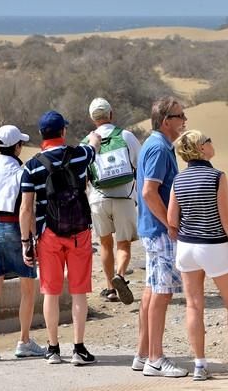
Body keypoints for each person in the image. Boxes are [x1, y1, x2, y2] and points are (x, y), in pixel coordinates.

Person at [167, 130, 228, 380]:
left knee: (193, 306)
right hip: (214, 245)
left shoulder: (179, 180)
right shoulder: (216, 176)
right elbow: (227, 217)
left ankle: (200, 365)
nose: (211, 143)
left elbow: (171, 219)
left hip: (187, 247)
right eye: (207, 140)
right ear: (200, 148)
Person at [19, 110, 101, 365]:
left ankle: (53, 349)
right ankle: (78, 349)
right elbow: (94, 145)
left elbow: (26, 209)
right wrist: (96, 135)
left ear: (41, 135)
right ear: (63, 132)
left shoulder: (31, 167)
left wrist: (25, 243)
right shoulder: (79, 155)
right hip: (79, 233)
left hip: (48, 235)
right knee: (78, 293)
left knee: (51, 293)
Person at [0, 125, 46, 361]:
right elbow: (26, 209)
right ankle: (24, 341)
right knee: (27, 288)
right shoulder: (21, 172)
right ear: (17, 147)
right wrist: (34, 237)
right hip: (16, 227)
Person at [132, 96, 188, 377]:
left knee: (152, 291)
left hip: (152, 229)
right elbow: (148, 192)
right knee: (162, 293)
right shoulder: (158, 149)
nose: (184, 121)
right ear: (166, 121)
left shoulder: (156, 144)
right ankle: (155, 358)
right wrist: (170, 222)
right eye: (180, 116)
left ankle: (143, 354)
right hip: (159, 231)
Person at [84, 98, 141, 304]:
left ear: (92, 119)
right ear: (111, 114)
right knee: (123, 244)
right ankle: (120, 275)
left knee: (106, 245)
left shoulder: (86, 143)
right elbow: (140, 164)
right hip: (124, 197)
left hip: (98, 199)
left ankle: (109, 289)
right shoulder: (125, 136)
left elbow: (84, 178)